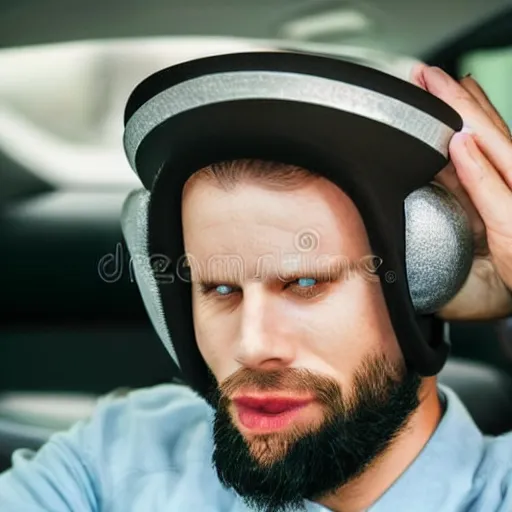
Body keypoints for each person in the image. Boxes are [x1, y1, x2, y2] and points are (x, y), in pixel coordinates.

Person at [1, 63, 512, 512]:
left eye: (305, 282)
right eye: (220, 290)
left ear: (427, 276)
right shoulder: (117, 455)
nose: (253, 346)